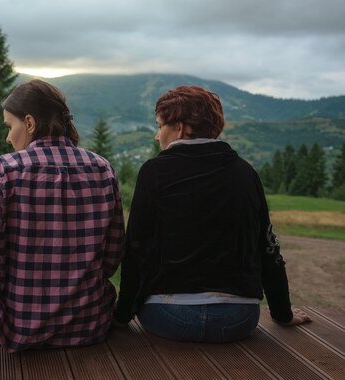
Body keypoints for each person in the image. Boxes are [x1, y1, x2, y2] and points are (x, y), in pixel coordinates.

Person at [113, 85, 310, 342]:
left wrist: (122, 314)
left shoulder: (154, 172)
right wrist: (283, 314)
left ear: (180, 127)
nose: (157, 136)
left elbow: (136, 247)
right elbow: (267, 247)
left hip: (168, 316)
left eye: (160, 126)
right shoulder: (245, 173)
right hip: (238, 319)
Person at [0, 79, 125, 352]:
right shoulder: (102, 168)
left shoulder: (4, 170)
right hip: (90, 325)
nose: (8, 137)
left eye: (10, 126)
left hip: (18, 329)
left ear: (29, 123)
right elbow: (112, 254)